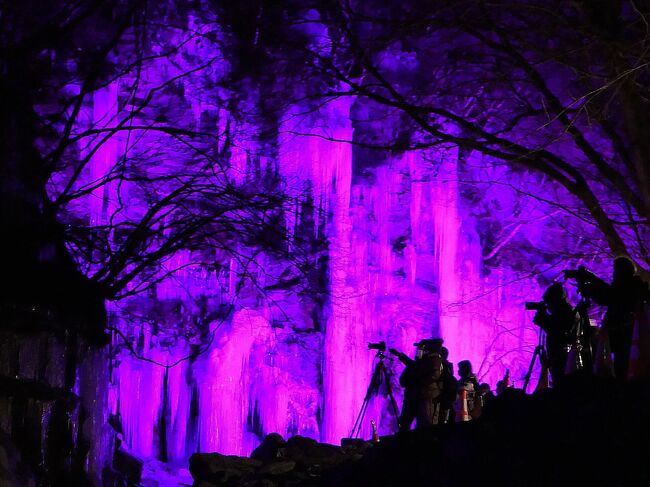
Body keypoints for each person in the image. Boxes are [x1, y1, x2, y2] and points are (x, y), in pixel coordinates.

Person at [578, 257, 650, 379]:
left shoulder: (630, 288)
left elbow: (610, 296)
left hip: (626, 335)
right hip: (624, 335)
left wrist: (590, 282)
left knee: (623, 368)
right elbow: (608, 295)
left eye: (615, 272)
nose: (613, 275)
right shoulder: (631, 287)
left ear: (622, 273)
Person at [389, 339, 446, 430]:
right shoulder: (425, 359)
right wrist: (399, 355)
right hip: (416, 395)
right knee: (406, 421)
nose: (419, 349)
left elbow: (433, 376)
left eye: (421, 347)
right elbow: (413, 365)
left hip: (424, 395)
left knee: (423, 422)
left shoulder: (434, 359)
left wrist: (415, 381)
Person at [533, 283, 580, 386]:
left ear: (555, 302)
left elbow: (557, 331)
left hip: (563, 358)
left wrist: (543, 318)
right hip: (560, 357)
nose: (548, 306)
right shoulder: (565, 312)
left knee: (561, 385)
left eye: (549, 303)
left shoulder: (566, 314)